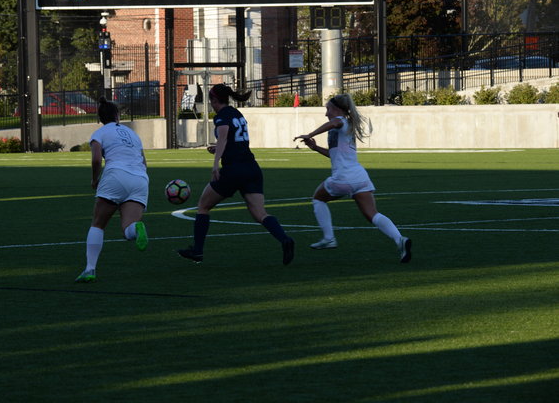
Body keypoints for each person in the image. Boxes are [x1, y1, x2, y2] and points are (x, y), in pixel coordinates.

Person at [177, 84, 295, 265]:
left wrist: (215, 164)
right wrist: (219, 149)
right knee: (260, 213)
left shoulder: (222, 116)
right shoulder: (237, 113)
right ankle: (285, 239)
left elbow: (224, 137)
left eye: (211, 100)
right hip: (251, 168)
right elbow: (235, 141)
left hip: (233, 170)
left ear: (214, 100)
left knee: (203, 206)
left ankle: (198, 251)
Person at [294, 94, 412, 263]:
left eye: (328, 109)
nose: (326, 113)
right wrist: (315, 147)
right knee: (372, 214)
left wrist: (309, 134)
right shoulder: (346, 126)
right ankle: (400, 239)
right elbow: (335, 155)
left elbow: (334, 122)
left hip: (343, 177)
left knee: (318, 199)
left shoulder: (340, 121)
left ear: (337, 109)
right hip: (360, 176)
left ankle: (329, 238)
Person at [75, 98, 149, 282]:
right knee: (127, 228)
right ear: (117, 115)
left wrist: (95, 180)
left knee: (98, 224)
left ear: (100, 118)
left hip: (116, 175)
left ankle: (90, 269)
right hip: (140, 179)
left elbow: (96, 160)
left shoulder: (99, 133)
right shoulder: (133, 134)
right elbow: (144, 162)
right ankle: (136, 228)